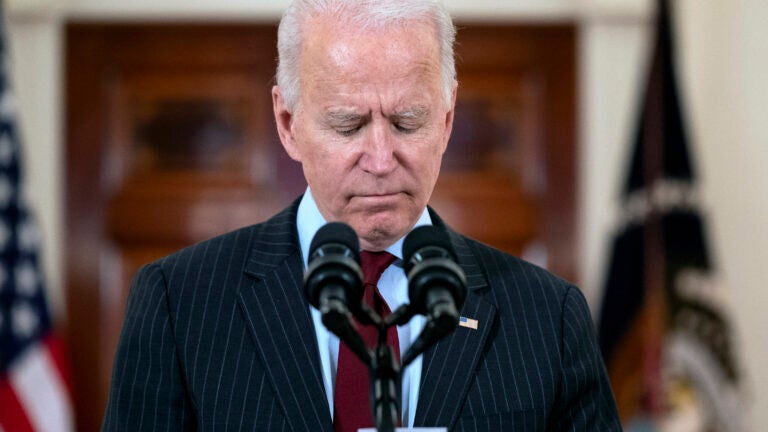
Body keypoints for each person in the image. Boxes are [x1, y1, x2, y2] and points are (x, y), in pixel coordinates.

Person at [102, 0, 621, 430]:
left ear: (446, 119)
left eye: (407, 122)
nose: (379, 159)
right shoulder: (179, 303)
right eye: (348, 125)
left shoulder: (549, 317)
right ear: (287, 123)